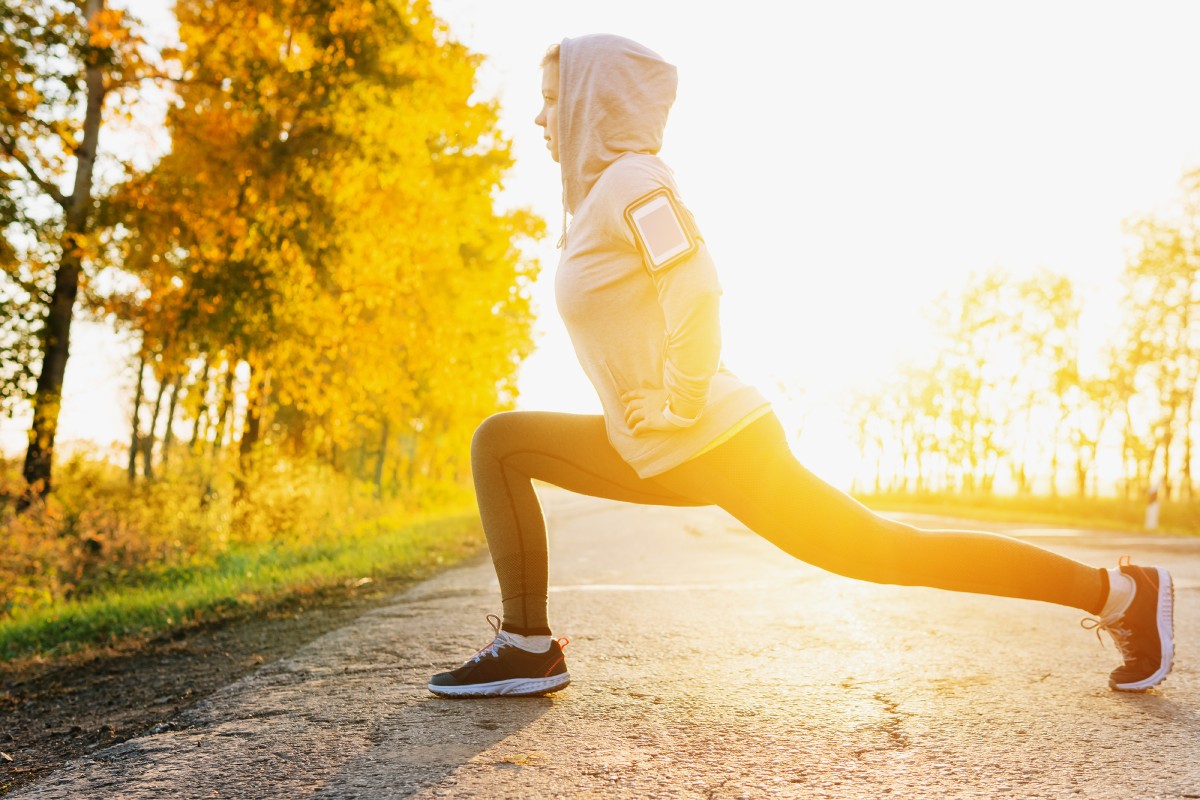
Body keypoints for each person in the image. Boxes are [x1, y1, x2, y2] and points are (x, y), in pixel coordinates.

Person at [426, 34, 1175, 698]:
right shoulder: (597, 203)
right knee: (503, 442)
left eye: (553, 99)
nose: (538, 117)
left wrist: (683, 402)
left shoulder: (634, 182)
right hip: (655, 451)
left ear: (594, 100)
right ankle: (527, 646)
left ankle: (1122, 593)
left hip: (715, 440)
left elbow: (696, 284)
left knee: (888, 553)